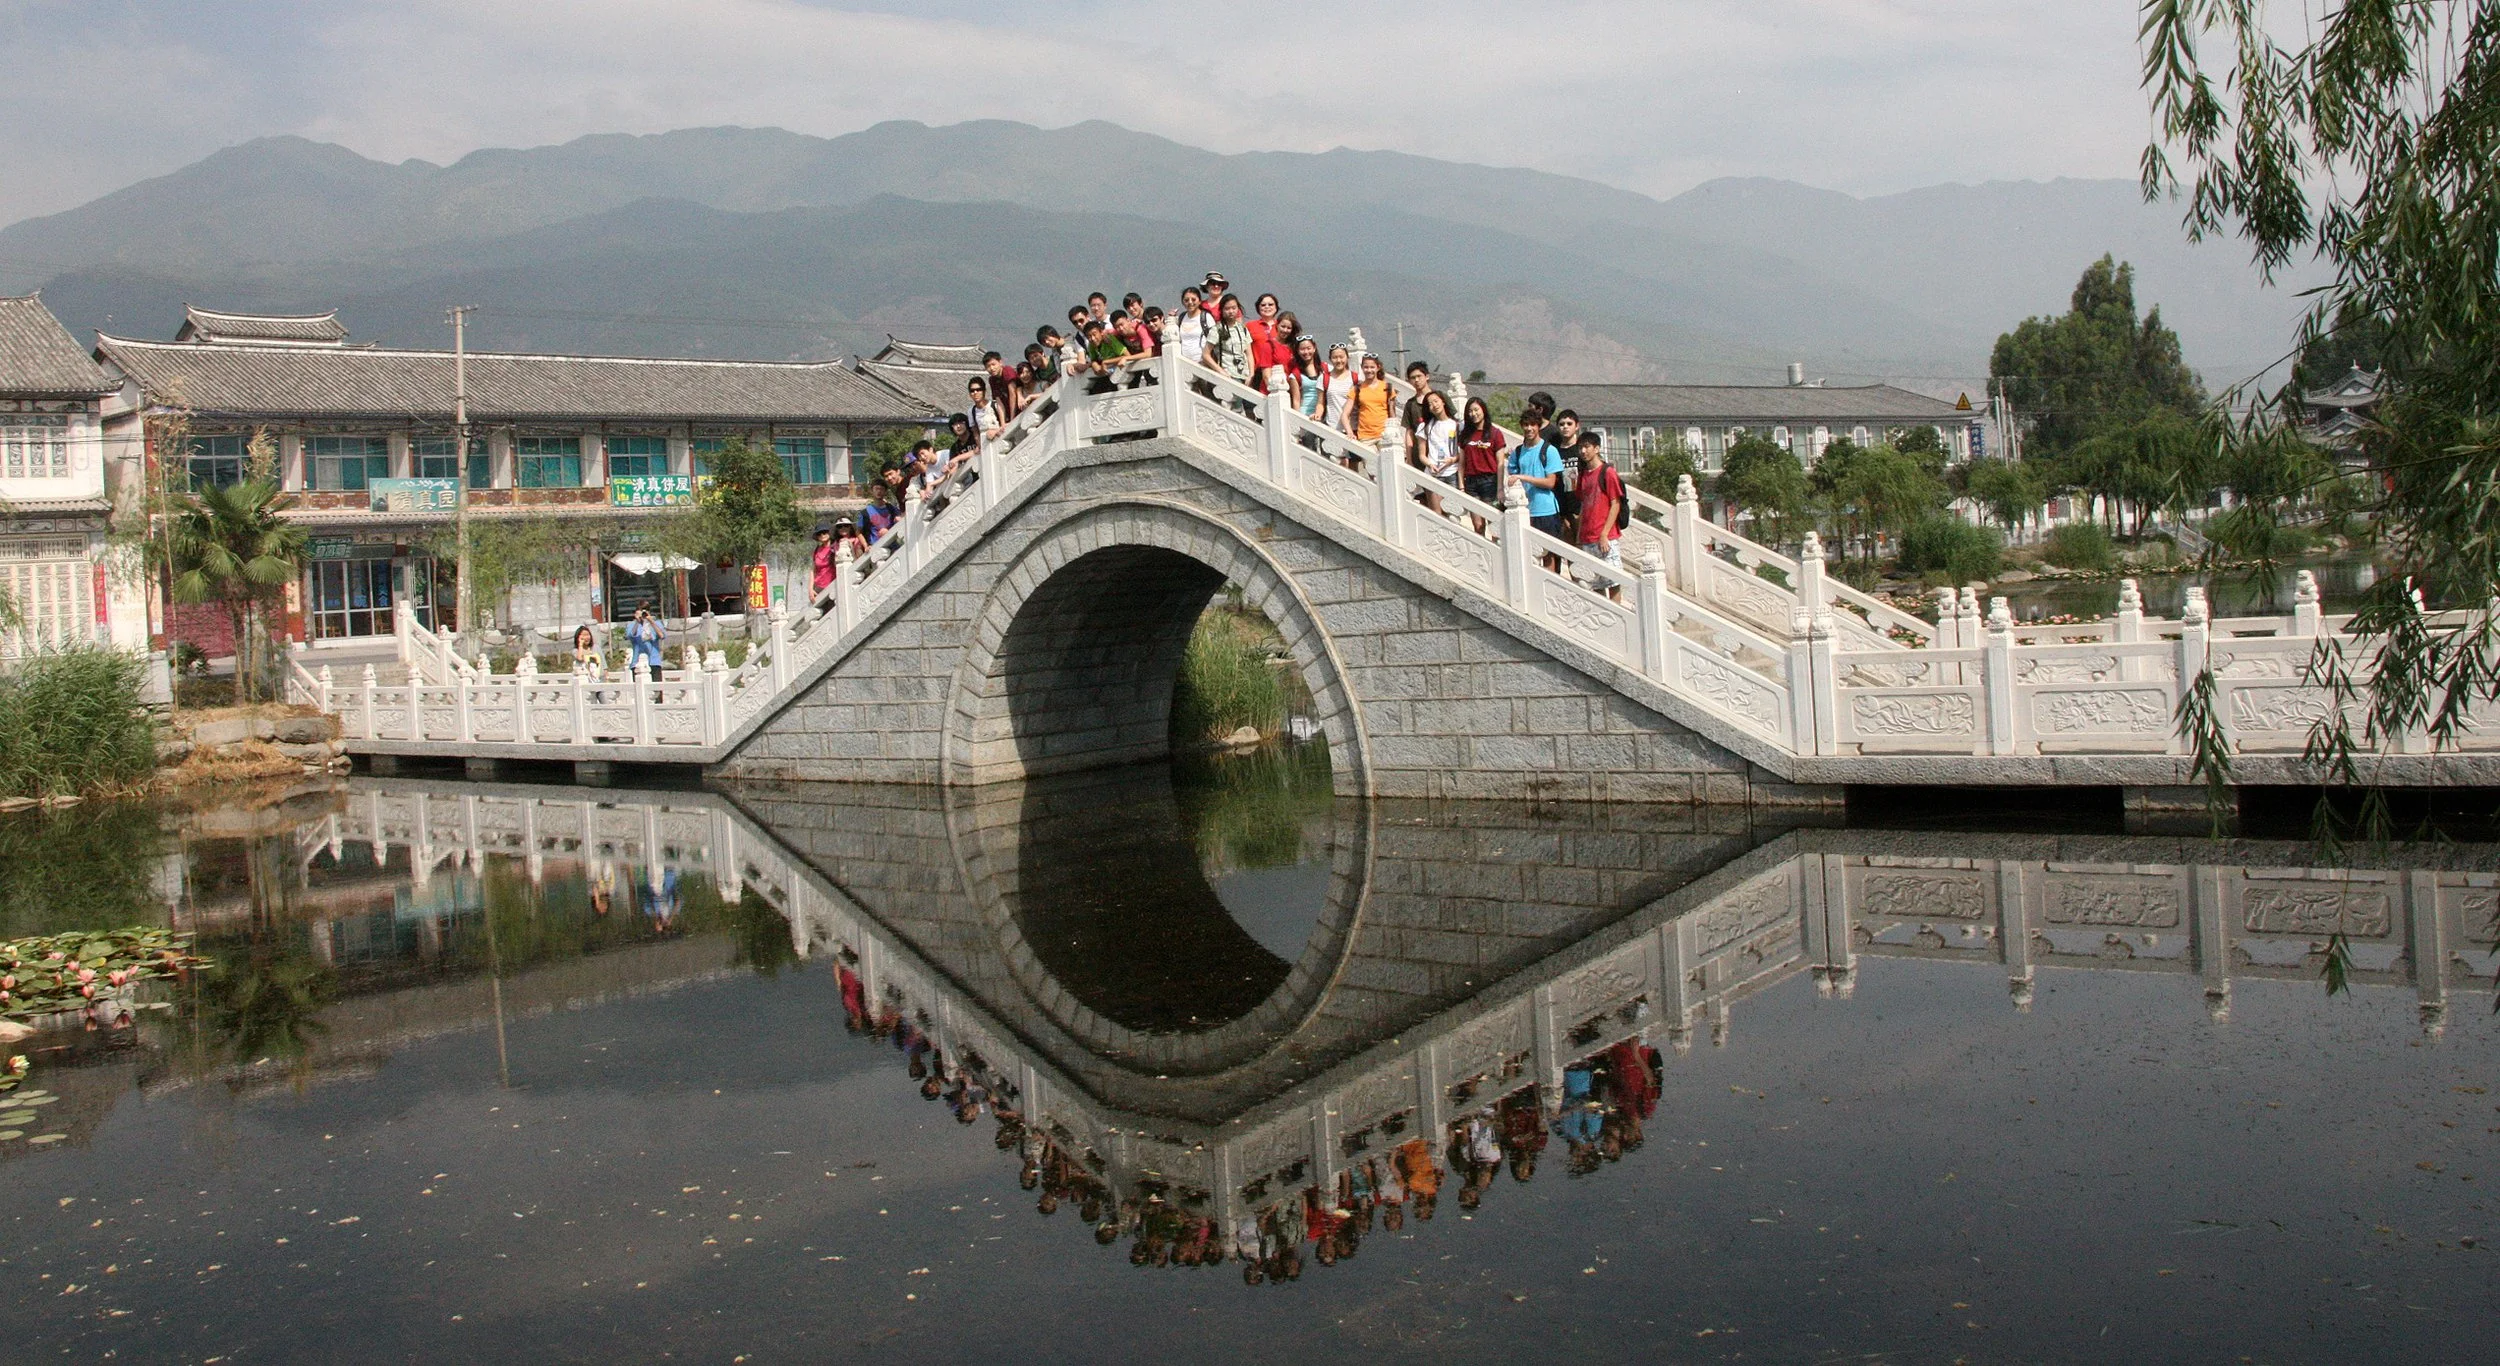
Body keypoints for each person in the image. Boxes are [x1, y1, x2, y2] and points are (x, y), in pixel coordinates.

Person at [1509, 409, 1568, 566]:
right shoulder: (1518, 452)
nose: (1529, 428)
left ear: (1538, 427)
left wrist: (1524, 477)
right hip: (1525, 510)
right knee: (1527, 555)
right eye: (1526, 425)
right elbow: (1512, 478)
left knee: (1549, 555)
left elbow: (1550, 483)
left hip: (1546, 510)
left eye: (1533, 425)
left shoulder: (1549, 450)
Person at [1573, 431, 1628, 598]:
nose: (1583, 451)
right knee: (1595, 583)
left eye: (1587, 447)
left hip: (1606, 536)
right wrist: (1579, 535)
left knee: (1613, 582)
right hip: (1588, 537)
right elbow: (1584, 504)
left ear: (1596, 448)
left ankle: (1616, 611)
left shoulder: (1607, 472)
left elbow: (1615, 504)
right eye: (1580, 447)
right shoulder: (1583, 474)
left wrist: (1604, 534)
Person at [1456, 396, 1505, 532]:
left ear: (1483, 410)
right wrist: (1461, 486)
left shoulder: (1495, 433)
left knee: (1494, 525)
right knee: (1478, 525)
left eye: (1476, 410)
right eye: (1470, 411)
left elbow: (1500, 463)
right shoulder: (1466, 434)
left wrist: (1500, 488)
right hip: (1471, 482)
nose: (1473, 414)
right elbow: (1462, 462)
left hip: (1489, 481)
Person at [1342, 352, 1392, 445]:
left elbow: (1392, 414)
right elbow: (1345, 414)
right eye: (1366, 367)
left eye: (1372, 367)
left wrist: (1394, 431)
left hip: (1385, 435)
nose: (1369, 370)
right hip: (1365, 437)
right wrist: (1349, 432)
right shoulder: (1357, 389)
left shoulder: (1387, 387)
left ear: (1378, 367)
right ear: (1362, 368)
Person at [1206, 294, 1254, 390]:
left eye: (1233, 308)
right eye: (1227, 309)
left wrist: (1251, 374)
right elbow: (1205, 355)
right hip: (1228, 374)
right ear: (1221, 310)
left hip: (1244, 375)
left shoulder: (1243, 329)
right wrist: (1220, 371)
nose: (1231, 311)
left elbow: (1249, 354)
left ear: (1238, 309)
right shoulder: (1217, 329)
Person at [1247, 293, 1286, 391]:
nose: (1267, 307)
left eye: (1270, 304)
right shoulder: (1250, 326)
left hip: (1280, 371)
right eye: (1263, 305)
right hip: (1258, 372)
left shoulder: (1282, 326)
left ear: (1276, 307)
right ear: (1258, 308)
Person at [1288, 337, 1326, 422]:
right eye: (1302, 349)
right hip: (1305, 414)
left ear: (1314, 348)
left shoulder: (1325, 368)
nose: (1306, 352)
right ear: (1298, 351)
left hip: (1324, 414)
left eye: (1309, 348)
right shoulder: (1295, 375)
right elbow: (1296, 401)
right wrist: (1297, 420)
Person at [625, 606, 665, 679]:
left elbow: (662, 636)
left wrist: (651, 622)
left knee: (656, 685)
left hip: (654, 661)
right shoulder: (632, 625)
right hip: (637, 662)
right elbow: (630, 635)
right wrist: (637, 622)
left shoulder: (656, 623)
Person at [1174, 286, 1208, 365]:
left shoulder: (1206, 317)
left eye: (1193, 299)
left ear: (1199, 301)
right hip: (1184, 363)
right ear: (1183, 302)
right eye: (1186, 300)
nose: (1190, 302)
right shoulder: (1181, 318)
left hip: (1202, 363)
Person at [811, 524, 837, 602]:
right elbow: (813, 570)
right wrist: (810, 589)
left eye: (824, 532)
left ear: (829, 533)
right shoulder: (817, 550)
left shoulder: (835, 547)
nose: (822, 535)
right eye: (819, 534)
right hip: (818, 587)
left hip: (833, 585)